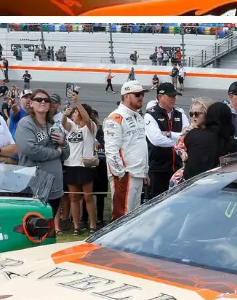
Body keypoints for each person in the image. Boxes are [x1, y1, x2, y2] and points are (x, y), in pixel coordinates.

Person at [103, 80, 175, 219]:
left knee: (132, 218)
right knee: (122, 217)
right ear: (126, 96)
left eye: (142, 94)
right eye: (137, 94)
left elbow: (142, 145)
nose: (141, 97)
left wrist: (145, 170)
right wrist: (121, 174)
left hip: (138, 174)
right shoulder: (115, 118)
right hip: (125, 175)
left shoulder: (138, 116)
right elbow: (111, 151)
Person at [15, 88, 65, 213]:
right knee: (34, 227)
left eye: (46, 100)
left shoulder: (53, 124)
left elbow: (65, 154)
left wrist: (63, 143)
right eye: (38, 99)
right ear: (31, 103)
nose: (43, 102)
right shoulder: (25, 124)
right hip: (34, 186)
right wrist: (56, 152)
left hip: (55, 186)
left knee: (49, 227)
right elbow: (32, 150)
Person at [59, 95, 99, 233]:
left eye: (76, 113)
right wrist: (64, 115)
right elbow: (64, 123)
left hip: (85, 165)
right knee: (73, 197)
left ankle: (92, 225)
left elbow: (87, 119)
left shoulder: (91, 127)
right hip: (71, 164)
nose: (74, 114)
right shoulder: (72, 128)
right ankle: (76, 226)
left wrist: (77, 102)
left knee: (88, 196)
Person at [143, 81, 183, 199]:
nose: (174, 98)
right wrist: (178, 139)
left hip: (178, 168)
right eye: (170, 96)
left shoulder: (180, 114)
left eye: (175, 95)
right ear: (160, 97)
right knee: (157, 203)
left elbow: (186, 136)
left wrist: (170, 134)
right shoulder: (150, 115)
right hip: (158, 169)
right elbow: (157, 140)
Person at [182, 100, 235, 179]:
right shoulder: (231, 143)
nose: (193, 117)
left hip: (190, 184)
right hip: (215, 183)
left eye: (197, 114)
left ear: (207, 116)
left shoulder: (192, 134)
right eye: (191, 114)